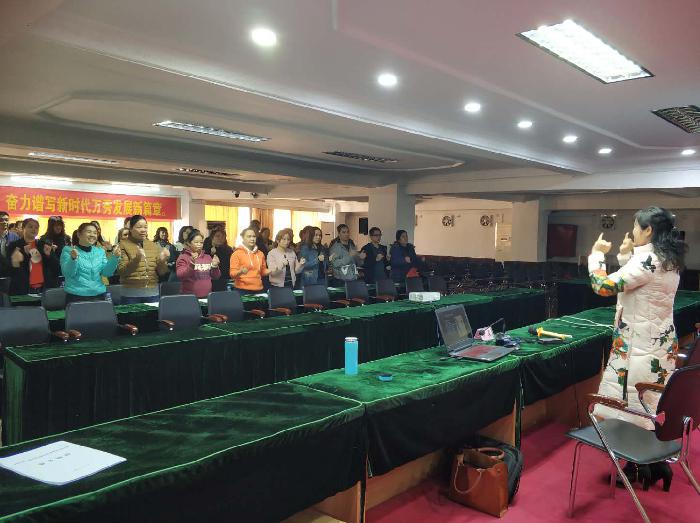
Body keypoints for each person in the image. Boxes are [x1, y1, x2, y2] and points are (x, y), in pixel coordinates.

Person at [588, 206, 687, 486]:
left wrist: (596, 255)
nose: (632, 233)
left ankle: (639, 466)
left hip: (639, 347)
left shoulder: (648, 260)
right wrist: (625, 256)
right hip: (659, 344)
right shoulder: (668, 259)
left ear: (648, 230)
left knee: (633, 406)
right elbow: (637, 282)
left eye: (635, 227)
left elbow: (604, 286)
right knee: (649, 402)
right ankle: (655, 464)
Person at [60, 222, 121, 303]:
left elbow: (107, 273)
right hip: (76, 296)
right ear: (79, 234)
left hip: (99, 295)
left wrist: (115, 258)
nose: (92, 235)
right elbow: (68, 273)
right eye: (89, 232)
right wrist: (73, 259)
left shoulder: (100, 251)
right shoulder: (68, 250)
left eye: (95, 233)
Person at [117, 215, 170, 303]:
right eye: (139, 227)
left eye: (145, 227)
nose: (143, 230)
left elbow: (162, 272)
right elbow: (122, 271)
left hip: (152, 293)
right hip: (130, 294)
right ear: (131, 229)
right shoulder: (122, 245)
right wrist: (136, 259)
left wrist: (162, 261)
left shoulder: (153, 245)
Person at [6, 218, 60, 295]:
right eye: (30, 227)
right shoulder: (14, 246)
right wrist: (16, 262)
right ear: (23, 228)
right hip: (21, 289)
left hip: (42, 289)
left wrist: (49, 256)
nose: (34, 229)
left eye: (36, 227)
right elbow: (9, 270)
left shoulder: (43, 245)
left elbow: (56, 268)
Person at [175, 229, 221, 298]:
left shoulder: (208, 257)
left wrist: (215, 266)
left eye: (201, 242)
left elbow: (216, 276)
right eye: (196, 242)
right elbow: (180, 275)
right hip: (189, 297)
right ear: (189, 243)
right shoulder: (183, 257)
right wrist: (192, 265)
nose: (199, 245)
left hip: (207, 297)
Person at [230, 227, 270, 294]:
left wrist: (272, 270)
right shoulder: (236, 254)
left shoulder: (260, 254)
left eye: (254, 236)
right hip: (242, 290)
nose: (252, 239)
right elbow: (232, 274)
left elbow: (262, 271)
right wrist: (240, 272)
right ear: (243, 238)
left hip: (259, 289)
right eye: (249, 236)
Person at [0, 211, 19, 277]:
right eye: (1, 220)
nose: (4, 222)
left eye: (6, 220)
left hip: (10, 270)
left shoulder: (14, 237)